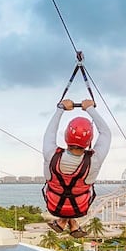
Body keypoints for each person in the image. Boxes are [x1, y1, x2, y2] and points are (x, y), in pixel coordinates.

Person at [43, 98, 111, 237]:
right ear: (89, 140)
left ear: (66, 136)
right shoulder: (94, 160)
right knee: (79, 190)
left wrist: (60, 109)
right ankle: (72, 223)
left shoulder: (51, 154)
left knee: (57, 187)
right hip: (80, 208)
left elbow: (50, 132)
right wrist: (90, 109)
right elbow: (106, 133)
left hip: (54, 206)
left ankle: (63, 221)